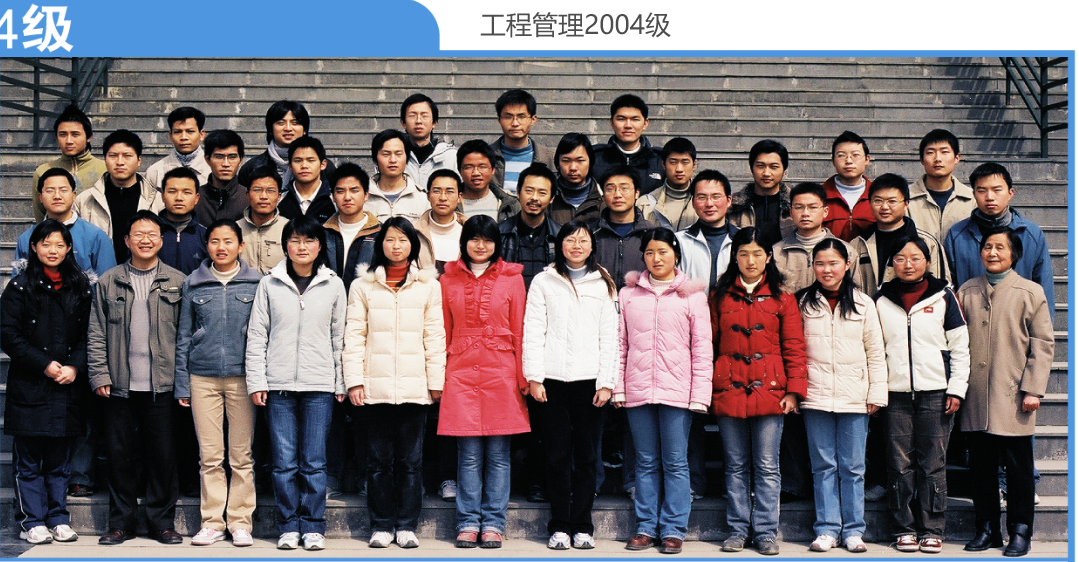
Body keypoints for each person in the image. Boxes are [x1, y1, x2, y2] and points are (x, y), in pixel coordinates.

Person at [245, 215, 347, 551]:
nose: (302, 247)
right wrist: (257, 381)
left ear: (320, 246)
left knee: (314, 462)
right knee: (284, 462)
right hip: (279, 386)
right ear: (285, 245)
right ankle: (288, 525)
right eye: (295, 240)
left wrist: (341, 382)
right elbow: (257, 335)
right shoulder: (269, 284)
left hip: (319, 385)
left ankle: (314, 526)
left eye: (309, 240)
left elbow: (339, 337)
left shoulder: (333, 284)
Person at [343, 218, 446, 550]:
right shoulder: (363, 286)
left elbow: (435, 336)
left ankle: (406, 525)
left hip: (415, 388)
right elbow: (354, 337)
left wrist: (436, 381)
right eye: (390, 239)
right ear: (380, 245)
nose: (396, 246)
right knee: (378, 463)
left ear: (413, 245)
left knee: (410, 463)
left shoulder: (428, 286)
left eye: (403, 239)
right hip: (376, 388)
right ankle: (381, 525)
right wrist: (354, 381)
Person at [87, 210, 185, 546]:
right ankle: (121, 523)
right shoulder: (108, 281)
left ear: (161, 240)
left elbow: (185, 337)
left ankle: (162, 523)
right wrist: (100, 374)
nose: (145, 240)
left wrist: (182, 382)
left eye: (152, 234)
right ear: (127, 241)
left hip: (162, 385)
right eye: (138, 234)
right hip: (119, 386)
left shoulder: (178, 281)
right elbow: (96, 332)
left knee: (163, 457)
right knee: (119, 458)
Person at [710, 227, 807, 556]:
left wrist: (794, 391)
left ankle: (765, 531)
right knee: (735, 465)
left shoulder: (783, 298)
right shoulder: (720, 296)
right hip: (729, 389)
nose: (750, 261)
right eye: (743, 254)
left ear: (768, 257)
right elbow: (708, 346)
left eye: (757, 254)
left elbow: (794, 347)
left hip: (771, 391)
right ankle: (737, 529)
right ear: (734, 257)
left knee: (767, 465)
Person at [614, 227, 711, 555]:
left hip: (677, 391)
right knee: (644, 462)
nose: (657, 258)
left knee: (676, 462)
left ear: (676, 255)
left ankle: (673, 529)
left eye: (663, 251)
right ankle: (645, 527)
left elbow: (702, 348)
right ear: (643, 256)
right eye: (650, 252)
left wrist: (700, 395)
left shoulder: (692, 296)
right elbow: (620, 344)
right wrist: (619, 387)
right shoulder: (628, 294)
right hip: (637, 388)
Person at [523, 220, 618, 550]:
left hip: (589, 382)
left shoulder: (603, 282)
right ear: (559, 245)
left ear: (592, 246)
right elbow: (533, 330)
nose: (577, 246)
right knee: (557, 455)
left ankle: (583, 525)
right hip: (552, 381)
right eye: (570, 240)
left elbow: (610, 336)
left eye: (583, 240)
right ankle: (560, 525)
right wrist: (534, 377)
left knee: (587, 457)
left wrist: (606, 383)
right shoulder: (544, 281)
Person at [958, 229, 1054, 557]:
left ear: (1014, 254)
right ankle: (987, 528)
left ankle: (1020, 530)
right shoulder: (967, 290)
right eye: (987, 246)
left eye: (1000, 247)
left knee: (1018, 469)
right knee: (981, 467)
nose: (992, 252)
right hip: (975, 394)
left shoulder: (1030, 292)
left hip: (1014, 394)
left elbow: (1043, 344)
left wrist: (1033, 389)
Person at [438, 215, 531, 549]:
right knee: (468, 455)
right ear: (464, 242)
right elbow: (442, 330)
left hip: (501, 371)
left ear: (497, 243)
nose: (480, 246)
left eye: (488, 239)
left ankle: (493, 523)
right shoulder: (447, 279)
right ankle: (467, 522)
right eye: (474, 239)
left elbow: (519, 329)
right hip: (461, 371)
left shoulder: (512, 278)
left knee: (499, 455)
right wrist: (439, 375)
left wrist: (522, 377)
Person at [874, 237, 970, 553]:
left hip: (936, 392)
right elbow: (873, 348)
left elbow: (960, 347)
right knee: (898, 464)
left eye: (915, 258)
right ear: (891, 264)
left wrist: (956, 388)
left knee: (932, 464)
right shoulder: (880, 299)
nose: (908, 264)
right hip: (895, 395)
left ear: (927, 262)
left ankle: (932, 529)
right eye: (900, 258)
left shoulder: (944, 296)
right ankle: (903, 529)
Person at [2, 220, 93, 544]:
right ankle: (32, 520)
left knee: (59, 460)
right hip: (30, 385)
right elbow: (8, 335)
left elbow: (89, 334)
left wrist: (75, 367)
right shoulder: (19, 287)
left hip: (67, 386)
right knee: (28, 461)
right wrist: (44, 365)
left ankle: (58, 518)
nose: (52, 250)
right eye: (46, 244)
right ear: (34, 248)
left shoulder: (80, 286)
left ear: (68, 249)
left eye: (59, 244)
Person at [174, 219, 262, 547]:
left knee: (241, 456)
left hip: (243, 378)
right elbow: (184, 335)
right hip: (202, 378)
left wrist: (260, 380)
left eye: (228, 241)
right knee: (210, 456)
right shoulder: (194, 283)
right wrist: (182, 383)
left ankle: (240, 522)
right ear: (206, 245)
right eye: (214, 241)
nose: (221, 247)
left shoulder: (257, 283)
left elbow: (263, 334)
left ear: (241, 246)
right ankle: (212, 522)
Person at [796, 239, 887, 553]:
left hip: (854, 396)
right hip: (816, 395)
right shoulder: (803, 303)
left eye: (833, 263)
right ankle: (826, 529)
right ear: (813, 266)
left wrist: (876, 392)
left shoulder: (864, 304)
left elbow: (875, 352)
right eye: (820, 263)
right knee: (823, 466)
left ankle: (853, 530)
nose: (827, 270)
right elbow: (794, 350)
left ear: (847, 265)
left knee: (853, 467)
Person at [944, 162, 1054, 316]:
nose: (989, 197)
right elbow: (949, 287)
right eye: (982, 191)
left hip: (1018, 321)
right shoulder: (957, 235)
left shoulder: (1031, 234)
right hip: (972, 321)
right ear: (974, 194)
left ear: (1010, 193)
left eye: (997, 190)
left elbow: (1044, 284)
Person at [74, 129, 163, 263]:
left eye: (127, 155)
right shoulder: (85, 200)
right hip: (98, 271)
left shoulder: (157, 200)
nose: (120, 162)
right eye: (113, 155)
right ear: (105, 160)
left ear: (139, 160)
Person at [851, 173, 946, 293]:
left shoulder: (927, 243)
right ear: (870, 203)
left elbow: (939, 287)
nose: (884, 207)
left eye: (892, 201)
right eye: (878, 201)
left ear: (906, 204)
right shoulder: (858, 244)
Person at [16, 167, 116, 280]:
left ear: (74, 195)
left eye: (63, 190)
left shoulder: (96, 236)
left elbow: (108, 282)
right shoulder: (27, 238)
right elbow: (18, 284)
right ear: (40, 197)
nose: (57, 196)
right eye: (50, 190)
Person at [31, 104, 107, 222]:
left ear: (89, 137)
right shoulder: (43, 171)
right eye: (63, 134)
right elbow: (40, 214)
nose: (69, 141)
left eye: (75, 134)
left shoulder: (105, 170)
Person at [236, 100, 335, 189]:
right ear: (270, 129)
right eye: (281, 123)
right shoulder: (252, 168)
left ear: (305, 130)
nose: (288, 128)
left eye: (295, 123)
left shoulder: (324, 167)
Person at [772, 182, 845, 294]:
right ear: (791, 212)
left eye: (813, 207)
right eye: (799, 207)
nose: (805, 213)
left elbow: (854, 294)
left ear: (825, 212)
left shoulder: (846, 251)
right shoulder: (776, 253)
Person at [906, 129, 975, 243]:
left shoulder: (972, 199)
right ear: (921, 159)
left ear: (957, 158)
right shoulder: (906, 198)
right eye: (930, 152)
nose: (938, 158)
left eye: (944, 152)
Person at [498, 163, 560, 289]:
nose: (534, 198)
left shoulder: (560, 236)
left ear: (552, 198)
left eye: (542, 193)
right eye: (529, 191)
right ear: (518, 192)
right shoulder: (500, 233)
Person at [675, 170, 738, 292]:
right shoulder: (680, 241)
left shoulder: (743, 239)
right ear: (693, 202)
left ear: (729, 200)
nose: (709, 204)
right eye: (702, 197)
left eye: (716, 197)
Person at [592, 167, 655, 289]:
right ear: (603, 194)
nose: (617, 195)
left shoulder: (652, 233)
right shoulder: (592, 233)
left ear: (637, 193)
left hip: (640, 299)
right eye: (610, 189)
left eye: (624, 188)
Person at [322, 163, 381, 291]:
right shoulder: (322, 234)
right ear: (333, 196)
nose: (347, 197)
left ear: (366, 195)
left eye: (354, 190)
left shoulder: (381, 233)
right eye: (340, 191)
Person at [591, 94, 664, 195]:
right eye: (621, 119)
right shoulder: (594, 159)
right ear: (611, 122)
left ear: (645, 123)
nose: (628, 125)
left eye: (635, 119)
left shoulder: (660, 161)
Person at [728, 139, 795, 249]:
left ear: (785, 170)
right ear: (751, 168)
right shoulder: (734, 205)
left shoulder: (796, 204)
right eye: (760, 166)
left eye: (774, 167)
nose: (766, 173)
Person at [489, 89, 552, 196]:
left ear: (533, 119)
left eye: (521, 117)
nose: (515, 123)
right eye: (508, 117)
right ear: (499, 119)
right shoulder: (486, 157)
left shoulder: (549, 159)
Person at [635, 137, 699, 231]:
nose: (679, 169)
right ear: (663, 164)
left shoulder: (706, 203)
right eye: (673, 162)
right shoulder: (644, 204)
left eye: (685, 162)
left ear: (694, 165)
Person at [821, 131, 875, 242]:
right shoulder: (819, 196)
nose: (849, 161)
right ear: (833, 161)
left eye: (855, 155)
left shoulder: (878, 196)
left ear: (867, 159)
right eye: (841, 155)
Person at [366, 129, 429, 221]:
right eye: (386, 154)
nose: (393, 160)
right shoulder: (363, 198)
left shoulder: (422, 199)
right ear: (375, 159)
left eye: (398, 154)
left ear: (407, 157)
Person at [238, 166, 290, 275]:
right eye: (257, 190)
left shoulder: (289, 229)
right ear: (247, 195)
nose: (263, 196)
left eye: (270, 191)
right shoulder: (235, 229)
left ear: (279, 196)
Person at [145, 107, 211, 190]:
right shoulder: (155, 172)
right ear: (170, 136)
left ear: (201, 134)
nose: (184, 137)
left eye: (190, 131)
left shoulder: (213, 169)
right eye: (177, 132)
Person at [157, 167, 208, 275]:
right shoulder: (150, 235)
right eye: (172, 192)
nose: (179, 198)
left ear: (197, 198)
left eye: (187, 192)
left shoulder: (205, 237)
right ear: (162, 196)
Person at [401, 93, 458, 188]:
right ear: (403, 123)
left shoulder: (451, 156)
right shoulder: (396, 156)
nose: (418, 121)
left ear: (434, 122)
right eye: (412, 115)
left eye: (424, 116)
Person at [414, 169, 466, 273]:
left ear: (459, 197)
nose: (443, 198)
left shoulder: (469, 233)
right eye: (436, 191)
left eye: (449, 192)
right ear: (428, 196)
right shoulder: (414, 232)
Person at [456, 139, 520, 221]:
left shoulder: (510, 206)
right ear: (459, 170)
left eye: (482, 167)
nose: (476, 173)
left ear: (493, 170)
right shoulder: (450, 205)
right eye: (469, 167)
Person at [277, 136, 335, 225]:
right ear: (290, 166)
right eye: (298, 160)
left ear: (323, 164)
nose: (304, 166)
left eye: (311, 160)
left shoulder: (335, 201)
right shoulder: (279, 200)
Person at [196, 130, 249, 225]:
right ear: (207, 159)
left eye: (232, 157)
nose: (226, 164)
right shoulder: (195, 199)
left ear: (240, 160)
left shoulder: (249, 199)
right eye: (219, 157)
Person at [549, 132, 604, 224]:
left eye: (580, 160)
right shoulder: (548, 199)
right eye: (566, 161)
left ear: (590, 162)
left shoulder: (603, 198)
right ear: (558, 163)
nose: (573, 168)